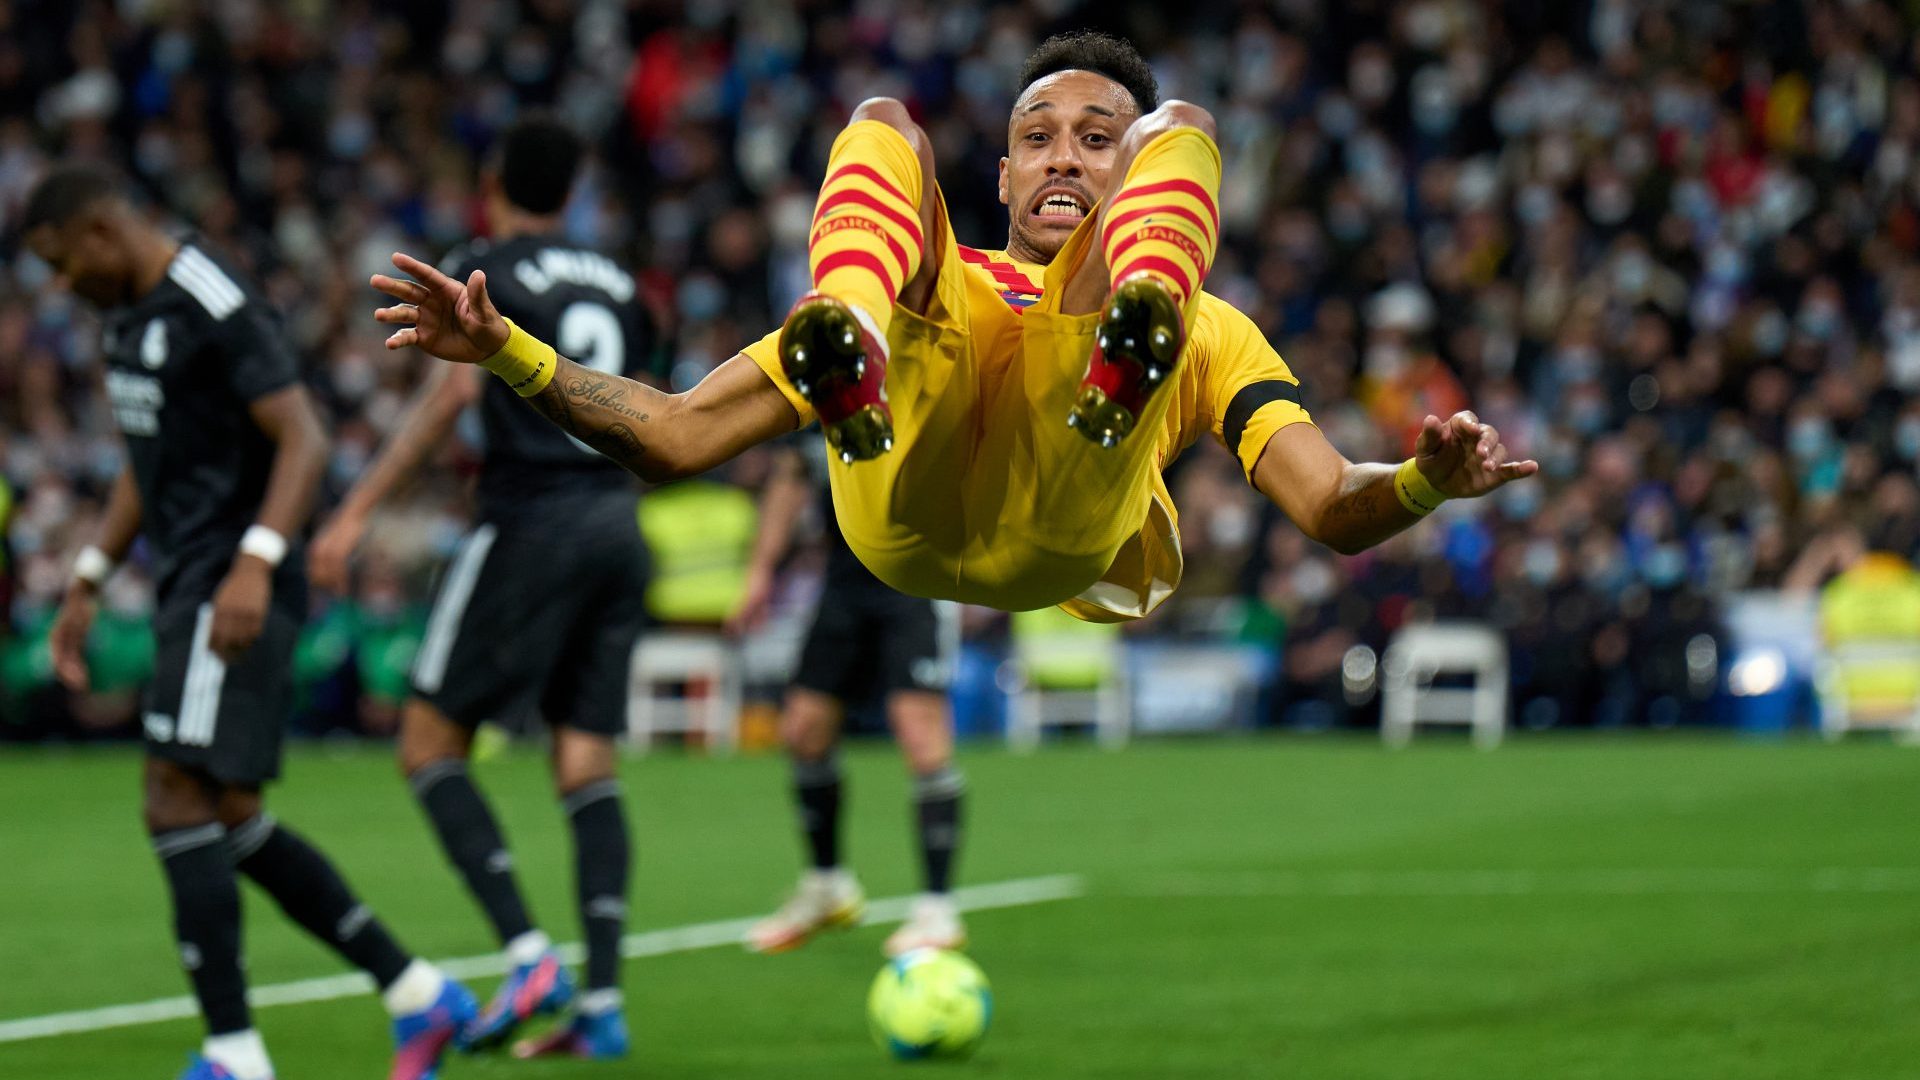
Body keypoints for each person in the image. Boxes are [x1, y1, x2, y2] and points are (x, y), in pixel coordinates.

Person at [371, 30, 1535, 626]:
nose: (1067, 155)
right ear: (1006, 170)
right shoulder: (938, 279)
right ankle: (853, 353)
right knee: (881, 121)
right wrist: (506, 351)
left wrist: (1423, 482)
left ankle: (1105, 376)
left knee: (1185, 144)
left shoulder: (1208, 329)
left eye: (1100, 137)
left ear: (1130, 175)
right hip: (899, 488)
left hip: (1065, 526)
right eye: (1040, 135)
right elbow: (674, 438)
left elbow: (1332, 507)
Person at [24, 164, 474, 1080]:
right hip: (197, 578)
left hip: (230, 584)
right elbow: (144, 459)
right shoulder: (124, 315)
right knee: (226, 813)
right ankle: (422, 995)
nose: (61, 285)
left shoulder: (207, 294)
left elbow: (303, 435)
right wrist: (88, 574)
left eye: (61, 263)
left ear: (103, 232)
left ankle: (234, 1055)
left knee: (171, 797)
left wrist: (256, 562)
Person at [309, 115, 659, 1061]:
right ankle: (603, 1008)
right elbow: (647, 406)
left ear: (495, 181)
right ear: (576, 186)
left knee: (426, 746)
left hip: (530, 521)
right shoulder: (626, 284)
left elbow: (453, 396)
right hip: (619, 528)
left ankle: (528, 952)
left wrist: (352, 513)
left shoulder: (485, 267)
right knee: (585, 761)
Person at [731, 441, 965, 956]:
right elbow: (791, 474)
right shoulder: (826, 371)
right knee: (803, 729)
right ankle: (827, 884)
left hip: (920, 574)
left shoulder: (930, 366)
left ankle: (937, 909)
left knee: (920, 733)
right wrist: (760, 571)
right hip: (845, 579)